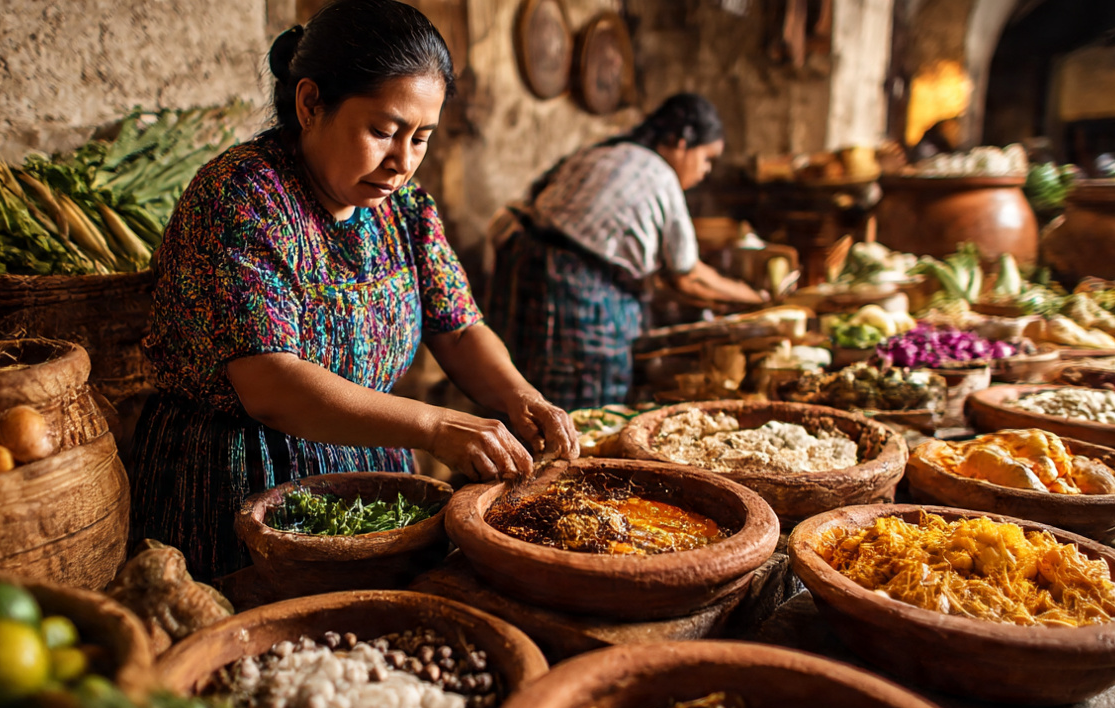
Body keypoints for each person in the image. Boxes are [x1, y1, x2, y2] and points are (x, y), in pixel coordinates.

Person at [132, 0, 577, 581]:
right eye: (383, 131)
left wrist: (522, 397)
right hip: (240, 483)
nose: (402, 162)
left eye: (421, 138)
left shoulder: (406, 208)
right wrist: (436, 426)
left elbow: (460, 327)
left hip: (374, 470)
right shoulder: (242, 195)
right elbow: (271, 383)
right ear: (311, 103)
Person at [485, 94, 763, 411]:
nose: (705, 171)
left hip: (524, 274)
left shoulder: (604, 152)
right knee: (583, 409)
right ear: (682, 142)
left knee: (521, 394)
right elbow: (688, 277)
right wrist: (753, 298)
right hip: (576, 292)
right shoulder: (661, 176)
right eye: (707, 158)